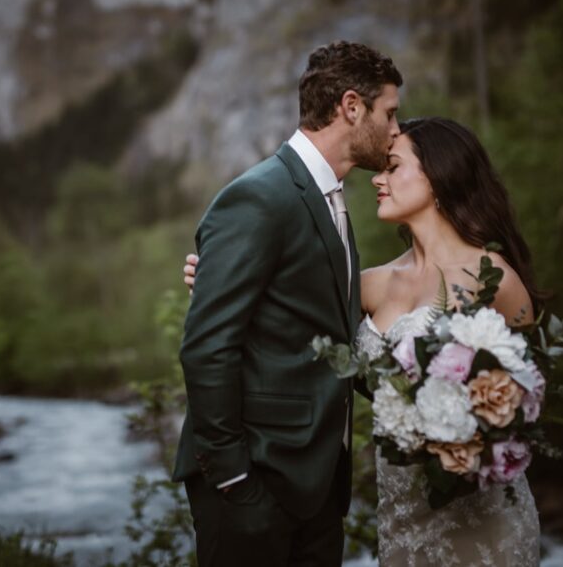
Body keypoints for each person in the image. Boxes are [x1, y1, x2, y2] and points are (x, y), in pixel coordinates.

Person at [184, 116, 543, 565]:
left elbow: (531, 397)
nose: (378, 178)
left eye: (393, 167)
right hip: (403, 510)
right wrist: (219, 280)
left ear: (439, 177)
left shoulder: (497, 280)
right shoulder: (371, 285)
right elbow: (285, 321)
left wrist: (476, 437)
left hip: (480, 509)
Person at [171, 41, 403, 567]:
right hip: (256, 480)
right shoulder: (259, 196)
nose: (396, 129)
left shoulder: (333, 200)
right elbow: (207, 348)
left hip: (318, 486)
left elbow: (329, 334)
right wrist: (234, 480)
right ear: (350, 106)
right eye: (389, 113)